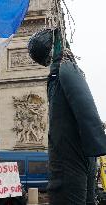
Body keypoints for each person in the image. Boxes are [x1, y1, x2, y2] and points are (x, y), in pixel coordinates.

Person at [28, 28, 106, 205]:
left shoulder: (63, 71)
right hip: (79, 156)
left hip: (67, 163)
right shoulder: (66, 70)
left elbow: (85, 110)